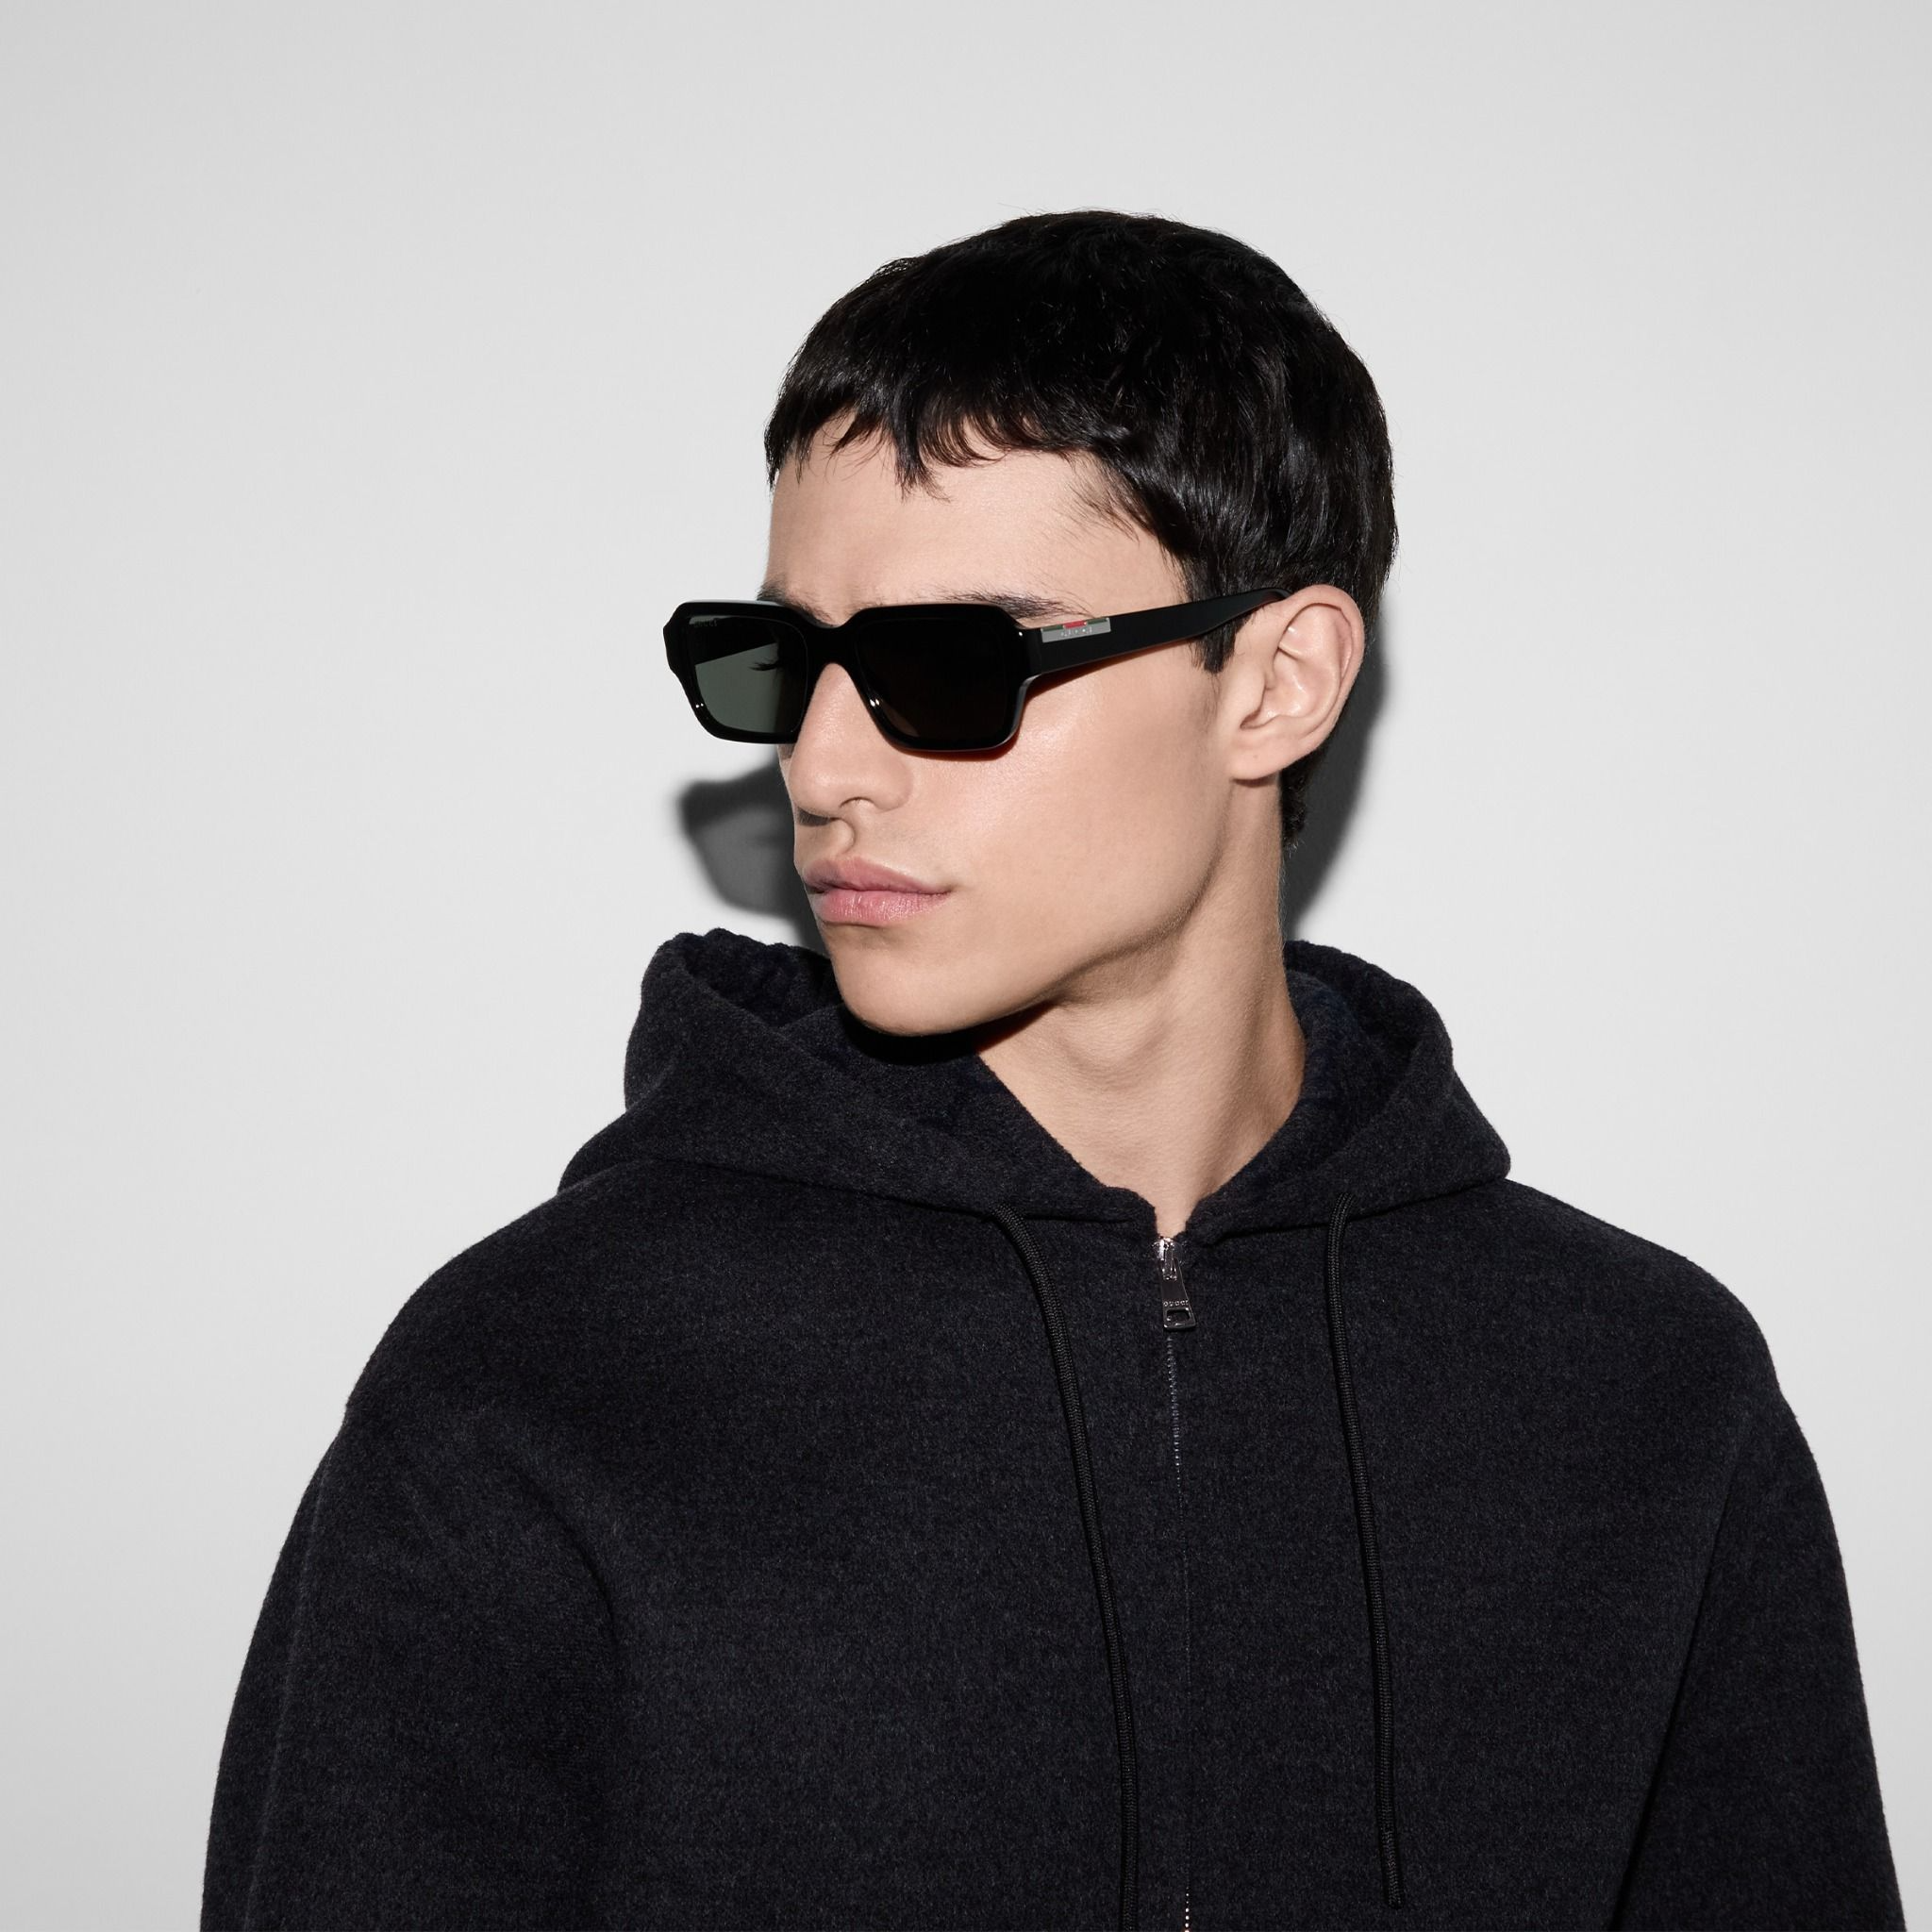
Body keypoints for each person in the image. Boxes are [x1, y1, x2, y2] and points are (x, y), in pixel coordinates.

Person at [200, 209, 1904, 1931]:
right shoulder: (538, 1381)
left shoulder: (1642, 1398)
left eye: (952, 666)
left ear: (1279, 682)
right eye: (788, 662)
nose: (824, 766)